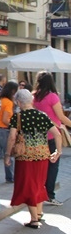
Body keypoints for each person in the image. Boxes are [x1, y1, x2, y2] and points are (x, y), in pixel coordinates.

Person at [4, 89, 62, 228]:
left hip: (25, 157)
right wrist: (58, 152)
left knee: (28, 185)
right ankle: (39, 212)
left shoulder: (18, 117)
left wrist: (7, 154)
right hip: (42, 156)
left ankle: (34, 219)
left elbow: (12, 137)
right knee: (39, 183)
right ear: (31, 100)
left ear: (18, 102)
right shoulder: (42, 115)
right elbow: (57, 134)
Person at [32, 71, 71, 206]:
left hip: (37, 136)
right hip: (52, 135)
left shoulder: (34, 97)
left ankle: (39, 193)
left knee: (40, 166)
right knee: (53, 166)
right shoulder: (52, 97)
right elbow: (61, 117)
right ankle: (49, 194)